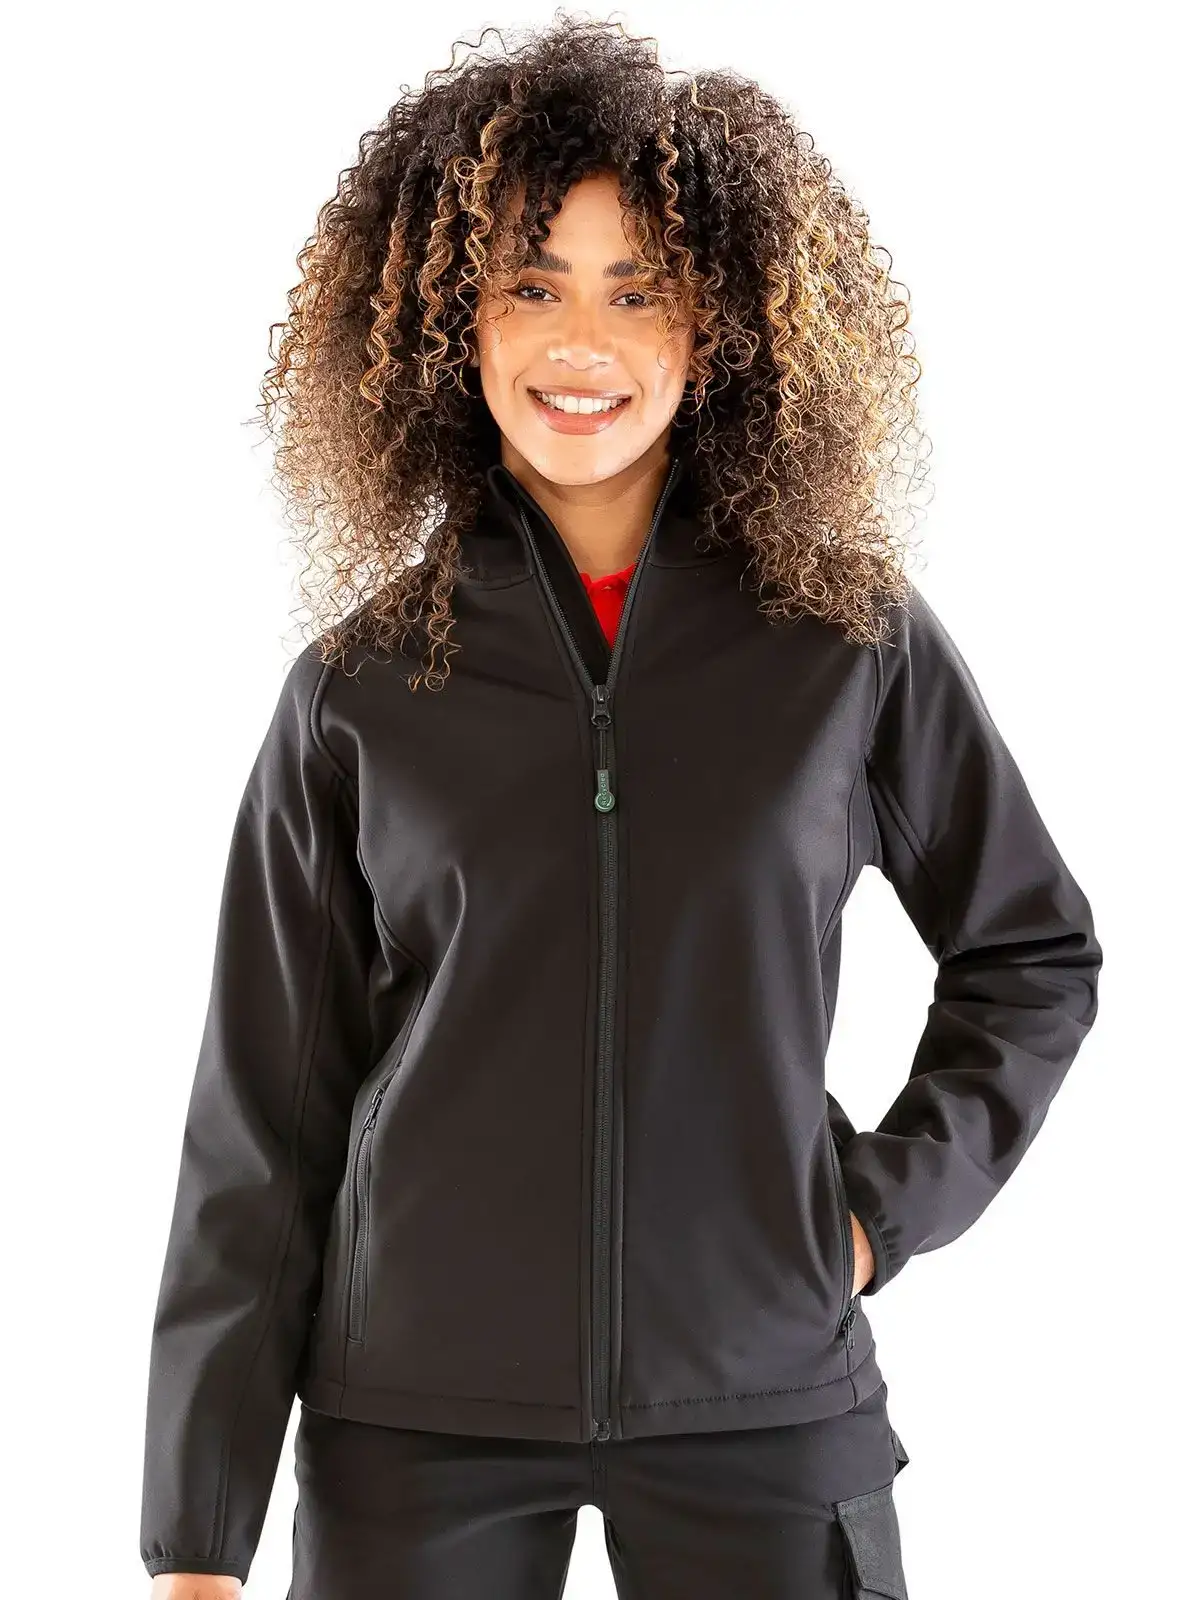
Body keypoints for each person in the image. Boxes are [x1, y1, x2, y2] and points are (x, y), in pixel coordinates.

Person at [139, 15, 1102, 1598]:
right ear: (452, 319)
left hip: (763, 1388)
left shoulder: (845, 643)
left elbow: (1032, 954)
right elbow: (262, 1117)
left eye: (637, 288)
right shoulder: (360, 686)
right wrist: (198, 1533)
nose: (580, 341)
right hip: (416, 1412)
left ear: (718, 325)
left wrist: (871, 1216)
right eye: (532, 286)